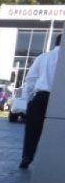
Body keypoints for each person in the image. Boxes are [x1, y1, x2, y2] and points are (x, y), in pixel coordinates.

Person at [20, 34, 60, 168]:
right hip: (59, 99)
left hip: (40, 96)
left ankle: (27, 156)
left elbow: (31, 79)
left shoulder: (43, 57)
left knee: (32, 130)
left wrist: (28, 99)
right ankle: (51, 159)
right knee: (56, 131)